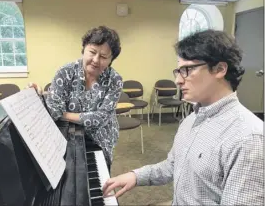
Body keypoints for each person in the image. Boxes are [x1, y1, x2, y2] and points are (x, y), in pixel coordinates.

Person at [103, 29, 264, 205]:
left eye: (187, 70)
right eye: (178, 71)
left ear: (220, 69)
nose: (178, 81)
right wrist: (135, 175)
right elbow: (172, 166)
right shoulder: (190, 119)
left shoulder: (248, 139)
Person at [31, 26, 123, 171]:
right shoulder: (65, 72)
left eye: (104, 57)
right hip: (68, 138)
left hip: (101, 140)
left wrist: (63, 114)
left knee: (100, 181)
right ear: (84, 49)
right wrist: (42, 97)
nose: (96, 60)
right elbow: (54, 110)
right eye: (92, 52)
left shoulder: (115, 79)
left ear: (111, 60)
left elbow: (99, 119)